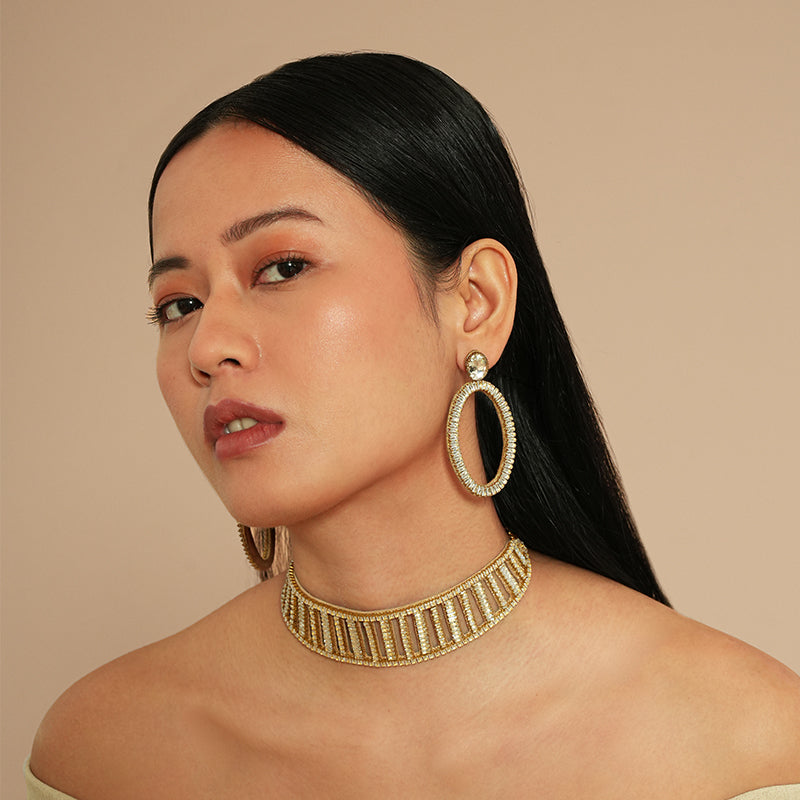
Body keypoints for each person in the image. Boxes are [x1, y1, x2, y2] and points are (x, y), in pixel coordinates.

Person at [26, 52, 800, 799]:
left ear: (478, 302)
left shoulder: (734, 741)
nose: (207, 346)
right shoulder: (106, 754)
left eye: (282, 267)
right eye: (178, 305)